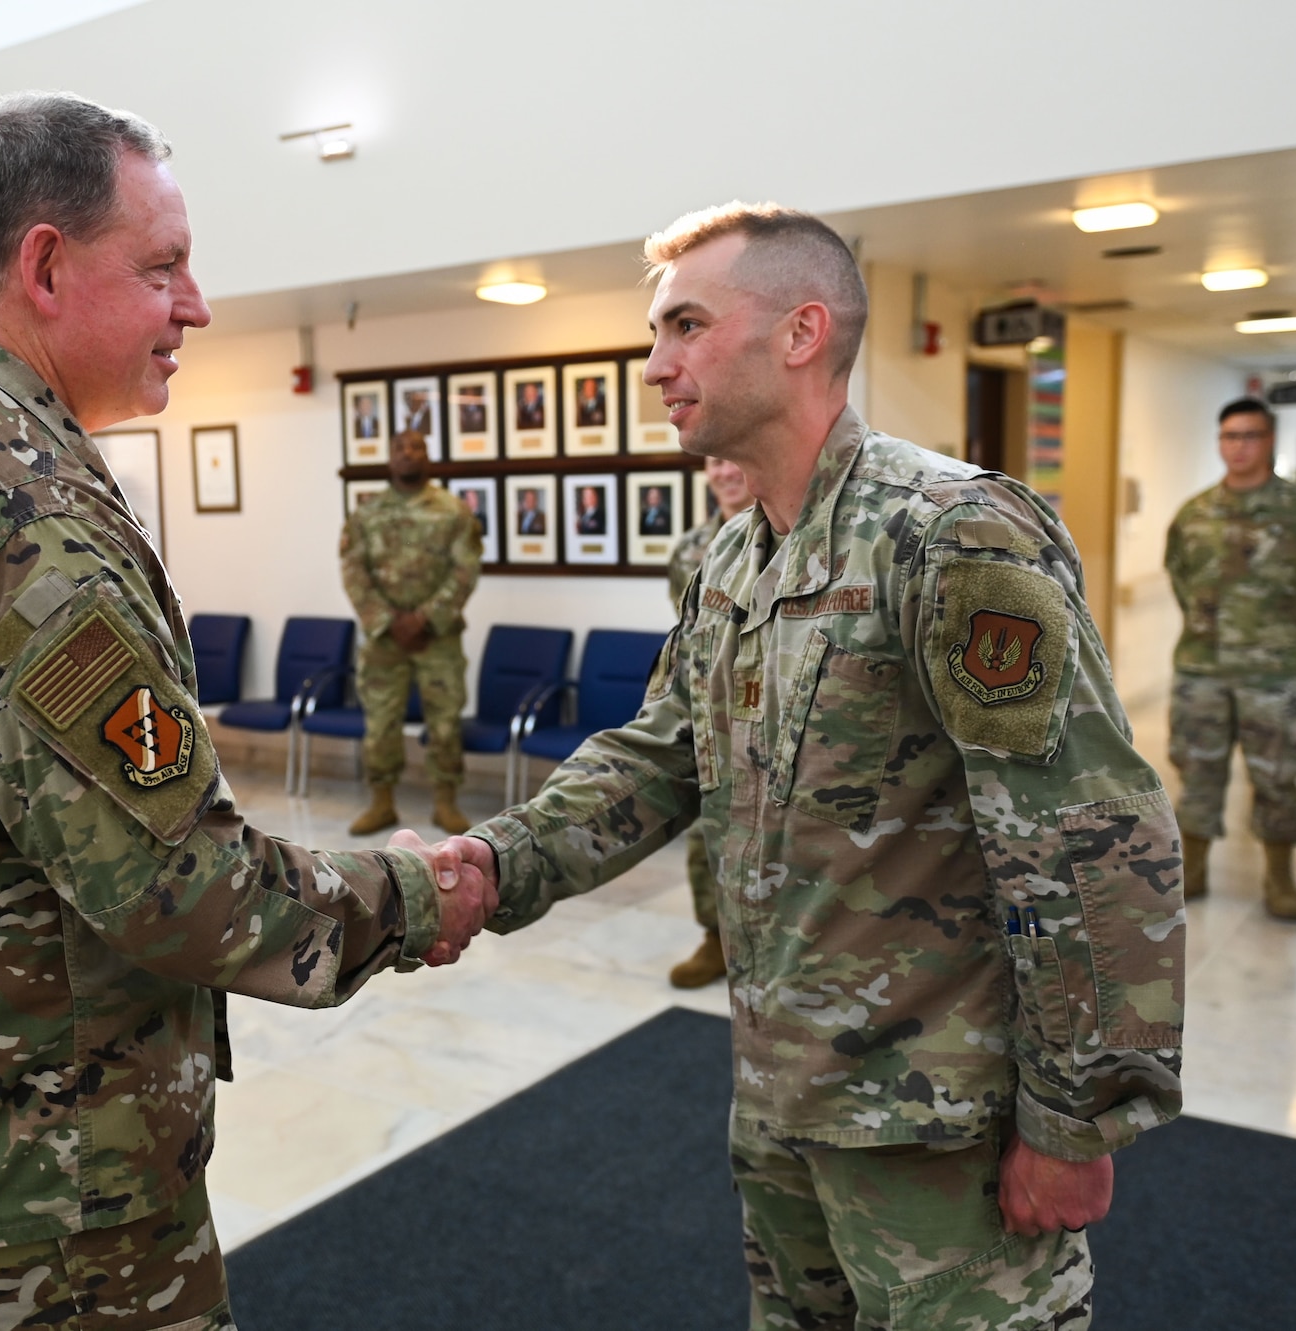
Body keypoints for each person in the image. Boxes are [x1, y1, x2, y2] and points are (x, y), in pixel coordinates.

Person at [0, 93, 493, 1331]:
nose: (196, 305)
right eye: (163, 267)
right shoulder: (19, 514)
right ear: (44, 264)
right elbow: (181, 891)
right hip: (47, 1170)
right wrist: (417, 893)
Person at [435, 202, 1185, 1328]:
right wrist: (491, 865)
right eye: (655, 334)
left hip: (937, 1122)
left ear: (798, 332)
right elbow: (658, 757)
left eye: (682, 326)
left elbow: (1091, 846)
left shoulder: (947, 533)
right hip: (783, 1093)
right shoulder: (734, 558)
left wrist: (1074, 1118)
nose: (655, 366)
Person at [1165, 397, 1296, 922]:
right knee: (1197, 772)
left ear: (1269, 441)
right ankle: (1194, 870)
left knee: (1277, 774)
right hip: (1202, 668)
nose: (1237, 446)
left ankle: (1279, 877)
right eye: (1228, 436)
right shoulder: (1194, 513)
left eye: (1248, 436)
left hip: (1275, 672)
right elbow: (1181, 577)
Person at [340, 428, 482, 839]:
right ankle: (381, 802)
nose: (407, 453)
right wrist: (388, 621)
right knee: (381, 722)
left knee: (444, 721)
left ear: (427, 456)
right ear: (390, 457)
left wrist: (425, 618)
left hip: (439, 636)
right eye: (399, 447)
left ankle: (445, 802)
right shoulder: (366, 514)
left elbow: (466, 570)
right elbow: (353, 571)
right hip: (384, 640)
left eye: (416, 447)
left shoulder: (453, 511)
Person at [662, 455, 752, 988]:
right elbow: (690, 633)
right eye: (715, 463)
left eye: (734, 460)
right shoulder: (691, 550)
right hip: (714, 707)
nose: (725, 472)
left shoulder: (793, 534)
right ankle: (715, 937)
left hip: (781, 704)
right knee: (708, 829)